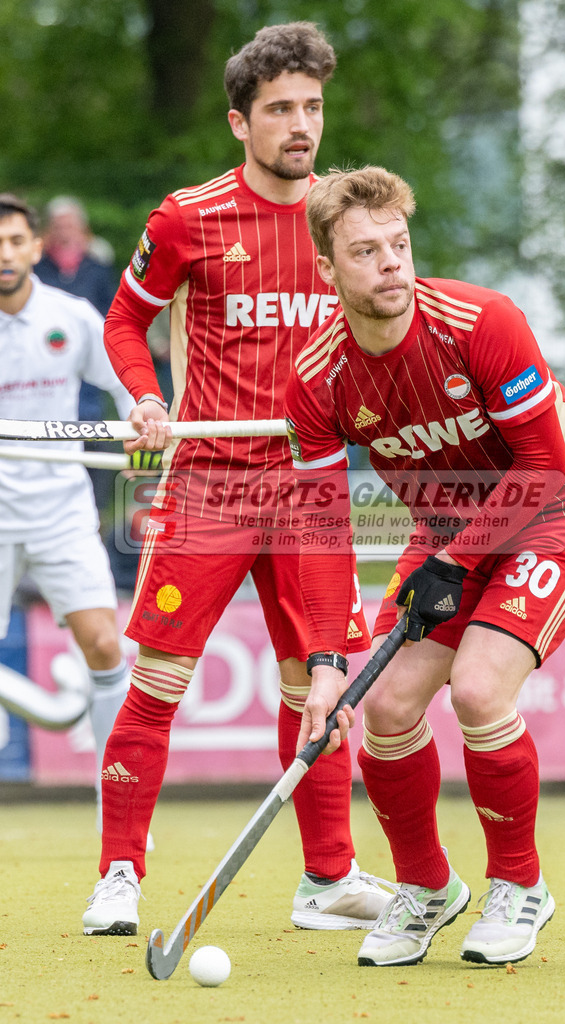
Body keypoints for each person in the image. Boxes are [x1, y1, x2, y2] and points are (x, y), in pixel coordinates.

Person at [82, 23, 391, 938]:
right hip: (211, 481)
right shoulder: (187, 218)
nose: (302, 125)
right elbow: (122, 325)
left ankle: (326, 879)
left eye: (312, 107)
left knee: (320, 689)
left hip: (314, 485)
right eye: (281, 110)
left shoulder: (347, 224)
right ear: (238, 121)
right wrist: (145, 398)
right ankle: (118, 876)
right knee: (161, 679)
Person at [283, 166, 565, 968]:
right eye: (365, 252)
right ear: (328, 271)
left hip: (561, 508)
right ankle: (426, 888)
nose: (392, 264)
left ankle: (519, 884)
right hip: (450, 527)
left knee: (476, 688)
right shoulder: (316, 379)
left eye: (398, 245)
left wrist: (452, 557)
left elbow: (540, 464)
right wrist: (326, 664)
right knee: (388, 706)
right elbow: (321, 528)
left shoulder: (480, 321)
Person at [0, 193, 135, 830]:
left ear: (33, 248)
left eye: (14, 241)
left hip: (61, 508)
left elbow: (127, 386)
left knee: (105, 646)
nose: (4, 254)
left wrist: (146, 414)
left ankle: (121, 808)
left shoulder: (72, 316)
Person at [34, 195, 119, 512]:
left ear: (82, 227)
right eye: (58, 224)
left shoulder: (97, 267)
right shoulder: (37, 267)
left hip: (87, 364)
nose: (64, 230)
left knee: (90, 432)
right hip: (45, 359)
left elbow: (111, 312)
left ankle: (91, 509)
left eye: (69, 224)